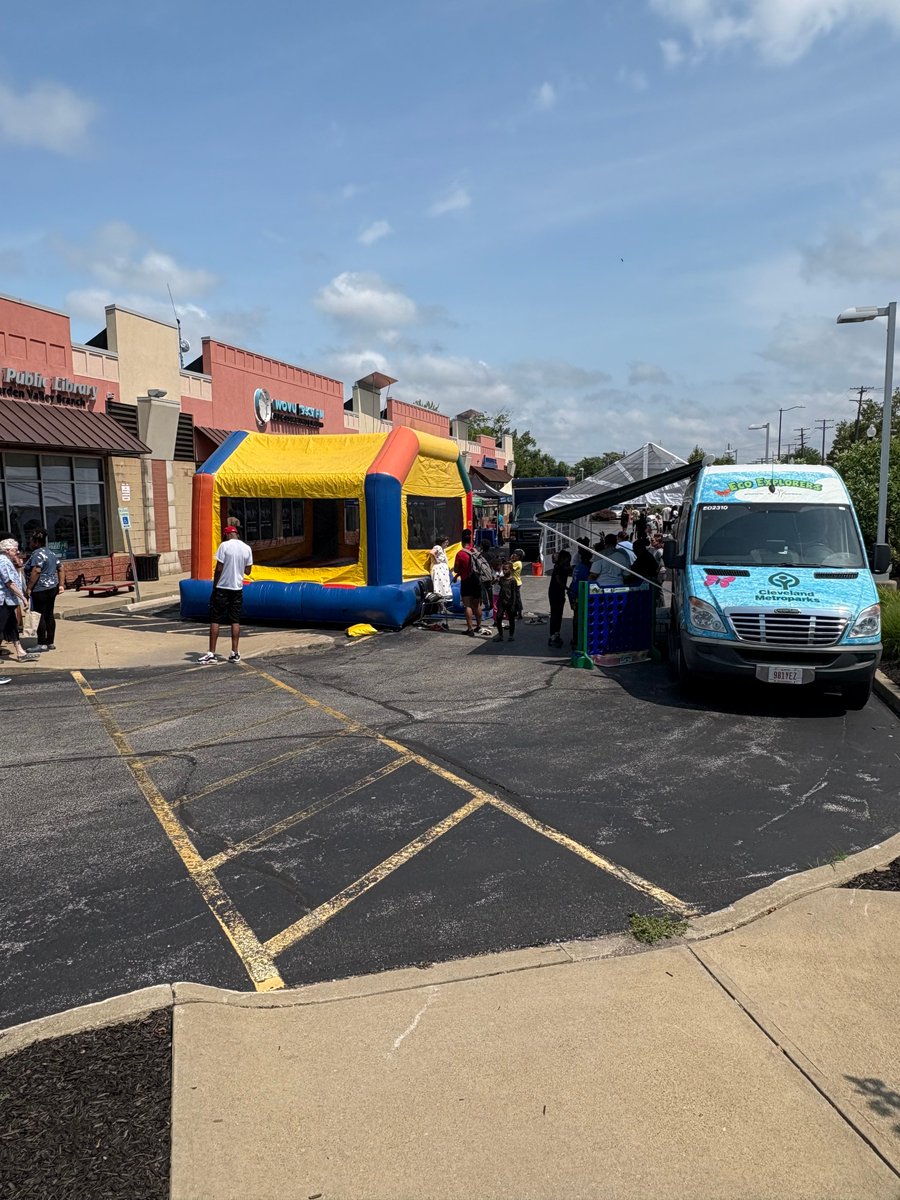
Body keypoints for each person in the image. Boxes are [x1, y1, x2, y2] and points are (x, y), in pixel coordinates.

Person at [200, 525, 253, 664]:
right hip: (237, 588)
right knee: (235, 620)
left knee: (215, 619)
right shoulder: (247, 548)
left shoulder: (224, 546)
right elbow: (248, 571)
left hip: (223, 587)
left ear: (227, 535)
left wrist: (215, 585)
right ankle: (234, 653)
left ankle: (211, 653)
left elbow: (218, 568)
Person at [24, 529, 61, 652]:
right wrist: (61, 584)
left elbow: (36, 571)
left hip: (40, 589)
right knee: (49, 614)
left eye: (31, 541)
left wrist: (29, 587)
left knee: (39, 615)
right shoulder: (51, 553)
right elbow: (61, 568)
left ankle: (42, 643)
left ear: (36, 542)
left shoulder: (37, 554)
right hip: (52, 587)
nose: (29, 543)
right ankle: (50, 642)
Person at [0, 538, 34, 667]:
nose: (17, 551)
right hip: (3, 600)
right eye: (15, 549)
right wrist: (23, 597)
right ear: (7, 550)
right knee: (1, 627)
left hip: (8, 600)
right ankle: (20, 652)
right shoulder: (3, 561)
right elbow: (9, 582)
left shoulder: (8, 560)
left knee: (12, 626)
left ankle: (20, 652)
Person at [452, 529, 485, 637]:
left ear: (462, 542)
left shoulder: (460, 554)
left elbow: (456, 569)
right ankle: (479, 626)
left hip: (466, 580)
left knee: (467, 605)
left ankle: (470, 628)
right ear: (470, 541)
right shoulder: (475, 551)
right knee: (477, 605)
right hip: (477, 580)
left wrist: (458, 573)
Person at [547, 549, 571, 648]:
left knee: (557, 614)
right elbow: (559, 580)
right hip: (556, 592)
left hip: (557, 592)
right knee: (556, 614)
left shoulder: (561, 567)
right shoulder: (560, 568)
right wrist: (567, 588)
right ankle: (554, 634)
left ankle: (556, 633)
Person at [493, 561, 517, 643]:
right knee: (498, 617)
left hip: (510, 602)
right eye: (503, 569)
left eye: (506, 569)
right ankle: (500, 635)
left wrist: (514, 605)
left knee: (511, 619)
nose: (504, 571)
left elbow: (514, 593)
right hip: (501, 601)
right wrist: (495, 580)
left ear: (510, 570)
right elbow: (495, 583)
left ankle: (511, 635)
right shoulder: (502, 579)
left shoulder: (513, 580)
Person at [510, 549, 524, 619]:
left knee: (517, 598)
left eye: (514, 555)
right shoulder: (517, 562)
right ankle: (515, 612)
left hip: (516, 583)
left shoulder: (517, 563)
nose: (513, 556)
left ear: (518, 557)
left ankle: (519, 613)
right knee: (514, 598)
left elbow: (510, 568)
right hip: (515, 582)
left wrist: (510, 560)